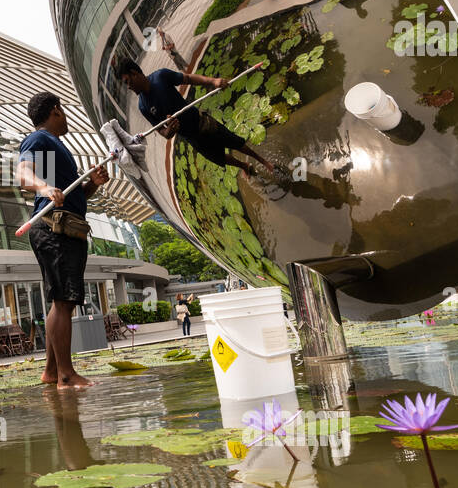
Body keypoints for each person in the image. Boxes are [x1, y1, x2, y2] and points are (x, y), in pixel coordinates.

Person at [16, 92, 109, 390]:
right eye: (64, 110)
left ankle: (52, 372)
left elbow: (73, 197)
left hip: (66, 226)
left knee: (64, 300)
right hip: (52, 229)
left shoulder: (57, 146)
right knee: (64, 300)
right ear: (55, 110)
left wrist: (91, 184)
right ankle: (67, 376)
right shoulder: (39, 140)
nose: (66, 116)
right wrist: (44, 188)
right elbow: (23, 174)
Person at [116, 59, 274, 178]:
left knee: (234, 142)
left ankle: (263, 161)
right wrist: (170, 131)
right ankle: (244, 166)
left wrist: (213, 81)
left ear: (134, 73)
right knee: (218, 157)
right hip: (192, 137)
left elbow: (188, 79)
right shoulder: (143, 106)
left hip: (202, 122)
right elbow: (163, 132)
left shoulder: (160, 76)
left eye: (127, 82)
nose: (129, 87)